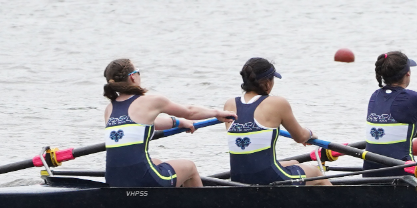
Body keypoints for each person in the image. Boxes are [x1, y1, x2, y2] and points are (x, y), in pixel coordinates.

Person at [99, 58, 219, 188]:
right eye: (138, 72)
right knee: (189, 167)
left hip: (114, 181)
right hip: (145, 181)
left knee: (156, 162)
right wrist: (218, 113)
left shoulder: (109, 109)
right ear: (133, 77)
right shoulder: (151, 101)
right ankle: (199, 207)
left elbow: (144, 123)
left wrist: (178, 122)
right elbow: (190, 112)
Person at [220, 57, 330, 186]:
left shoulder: (230, 104)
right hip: (270, 179)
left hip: (238, 179)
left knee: (294, 162)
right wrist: (310, 134)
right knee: (316, 174)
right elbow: (300, 137)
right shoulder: (277, 103)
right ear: (267, 83)